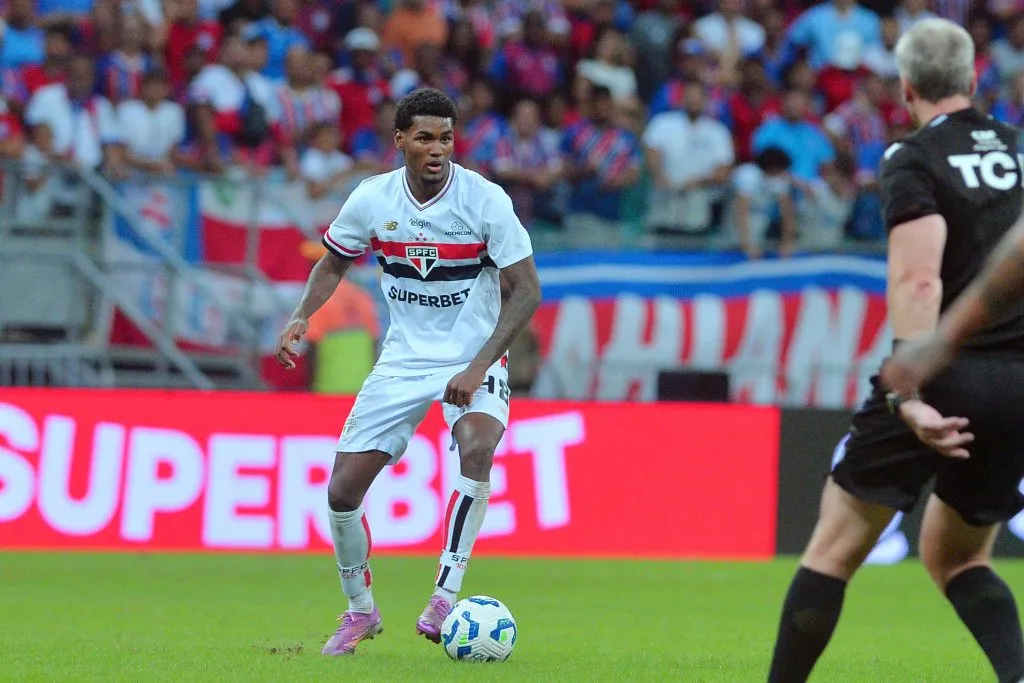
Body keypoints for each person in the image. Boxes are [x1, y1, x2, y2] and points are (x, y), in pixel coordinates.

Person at [767, 19, 1024, 683]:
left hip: (943, 372)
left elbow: (918, 277)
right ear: (973, 80)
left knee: (832, 547)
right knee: (958, 556)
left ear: (905, 89)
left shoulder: (911, 159)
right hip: (1018, 384)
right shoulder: (1021, 151)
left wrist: (908, 392)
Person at [273, 87, 541, 656]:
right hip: (401, 358)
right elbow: (334, 261)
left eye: (445, 137)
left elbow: (527, 292)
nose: (437, 148)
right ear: (400, 141)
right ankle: (360, 612)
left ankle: (445, 596)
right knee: (342, 494)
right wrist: (301, 316)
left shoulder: (485, 201)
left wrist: (478, 365)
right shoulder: (372, 200)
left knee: (477, 447)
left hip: (476, 353)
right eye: (424, 137)